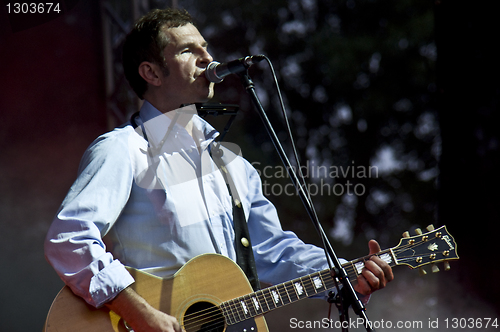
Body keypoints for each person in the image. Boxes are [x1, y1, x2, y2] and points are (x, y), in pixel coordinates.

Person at [44, 8, 393, 332]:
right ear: (151, 73)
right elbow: (69, 240)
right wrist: (139, 313)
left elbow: (272, 249)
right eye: (187, 51)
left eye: (205, 47)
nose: (208, 59)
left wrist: (346, 275)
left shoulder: (232, 164)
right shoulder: (123, 150)